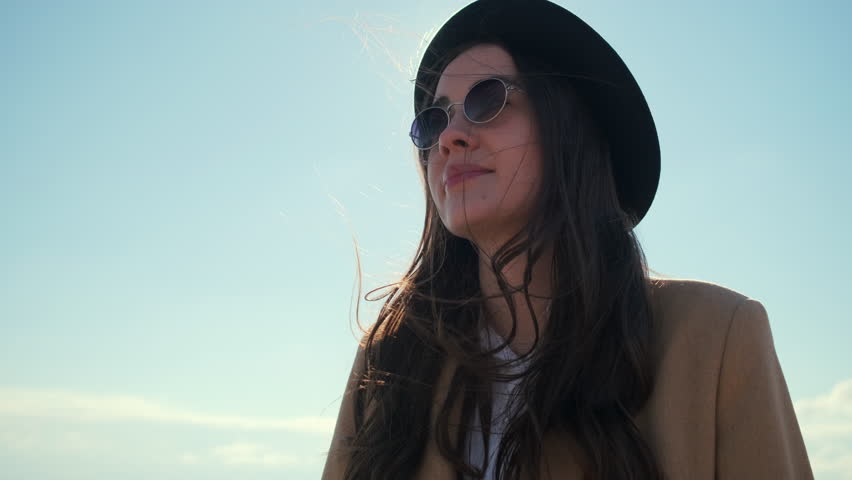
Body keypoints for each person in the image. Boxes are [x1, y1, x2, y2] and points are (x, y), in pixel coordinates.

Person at [322, 0, 813, 478]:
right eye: (434, 120)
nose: (450, 137)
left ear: (567, 127)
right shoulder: (390, 358)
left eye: (487, 100)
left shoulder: (718, 336)